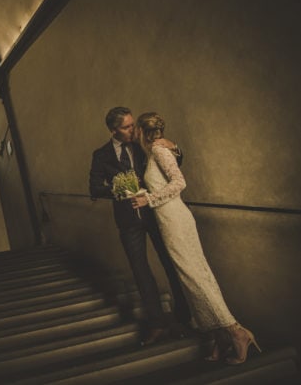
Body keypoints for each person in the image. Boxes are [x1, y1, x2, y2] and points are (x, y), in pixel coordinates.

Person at [131, 112, 260, 364]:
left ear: (144, 132)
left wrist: (149, 199)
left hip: (176, 219)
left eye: (136, 128)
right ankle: (219, 338)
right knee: (190, 278)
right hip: (167, 220)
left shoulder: (159, 149)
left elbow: (180, 183)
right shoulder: (153, 151)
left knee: (195, 276)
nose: (133, 132)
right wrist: (145, 192)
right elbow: (162, 183)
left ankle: (236, 331)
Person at [89, 106, 191, 346]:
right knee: (141, 270)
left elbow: (176, 164)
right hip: (127, 221)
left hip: (157, 214)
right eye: (127, 127)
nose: (133, 129)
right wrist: (119, 188)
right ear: (114, 131)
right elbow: (94, 188)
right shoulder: (101, 155)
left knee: (170, 263)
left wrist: (174, 147)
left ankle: (183, 319)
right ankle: (157, 324)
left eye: (133, 124)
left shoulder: (142, 144)